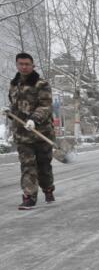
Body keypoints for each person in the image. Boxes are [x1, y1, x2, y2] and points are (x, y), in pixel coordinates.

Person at [8, 52, 56, 210]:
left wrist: (34, 120)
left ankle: (48, 189)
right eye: (21, 64)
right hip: (22, 135)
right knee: (27, 166)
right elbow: (15, 106)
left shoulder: (41, 84)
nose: (24, 67)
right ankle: (29, 197)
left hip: (42, 133)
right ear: (17, 65)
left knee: (44, 166)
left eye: (27, 64)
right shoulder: (14, 84)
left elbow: (46, 106)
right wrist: (8, 112)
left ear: (32, 65)